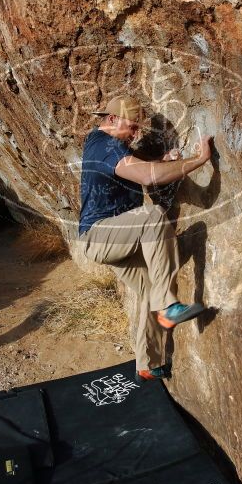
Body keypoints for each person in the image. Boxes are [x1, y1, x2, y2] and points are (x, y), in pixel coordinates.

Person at [79, 95, 213, 382]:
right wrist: (198, 160)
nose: (136, 133)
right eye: (131, 126)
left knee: (151, 286)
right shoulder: (105, 146)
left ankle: (147, 365)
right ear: (112, 120)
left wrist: (162, 161)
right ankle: (168, 306)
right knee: (152, 216)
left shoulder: (105, 145)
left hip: (117, 237)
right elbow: (148, 177)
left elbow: (136, 169)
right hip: (100, 235)